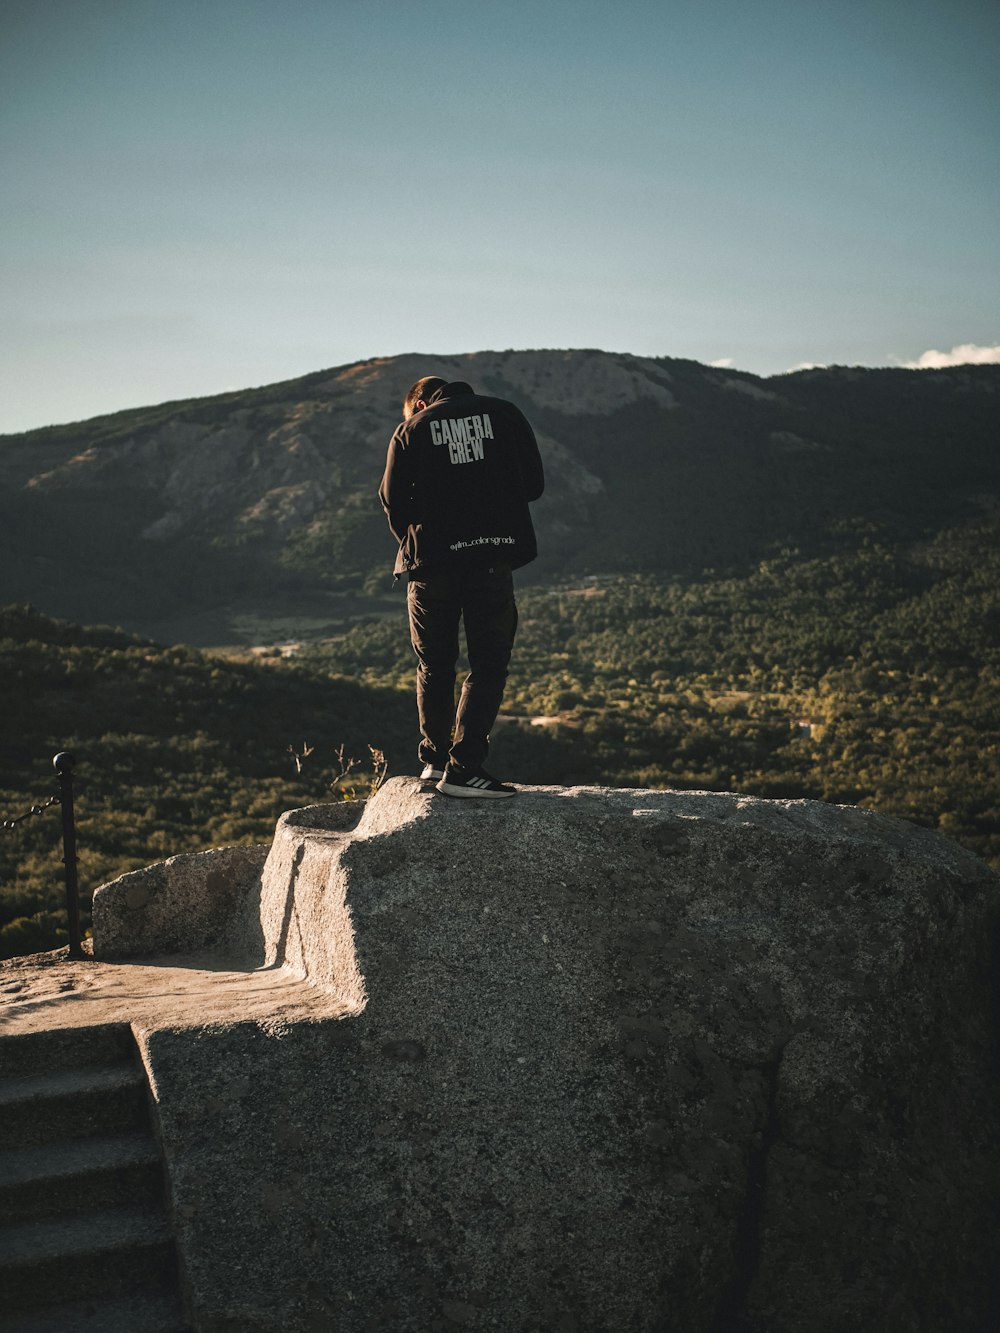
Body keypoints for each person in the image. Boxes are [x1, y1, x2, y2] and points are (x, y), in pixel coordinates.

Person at [379, 374, 544, 798]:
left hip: (431, 566)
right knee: (488, 664)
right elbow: (534, 485)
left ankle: (435, 762)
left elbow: (391, 501)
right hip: (490, 559)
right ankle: (465, 767)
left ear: (418, 403)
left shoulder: (411, 429)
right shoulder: (505, 413)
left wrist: (423, 539)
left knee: (434, 664)